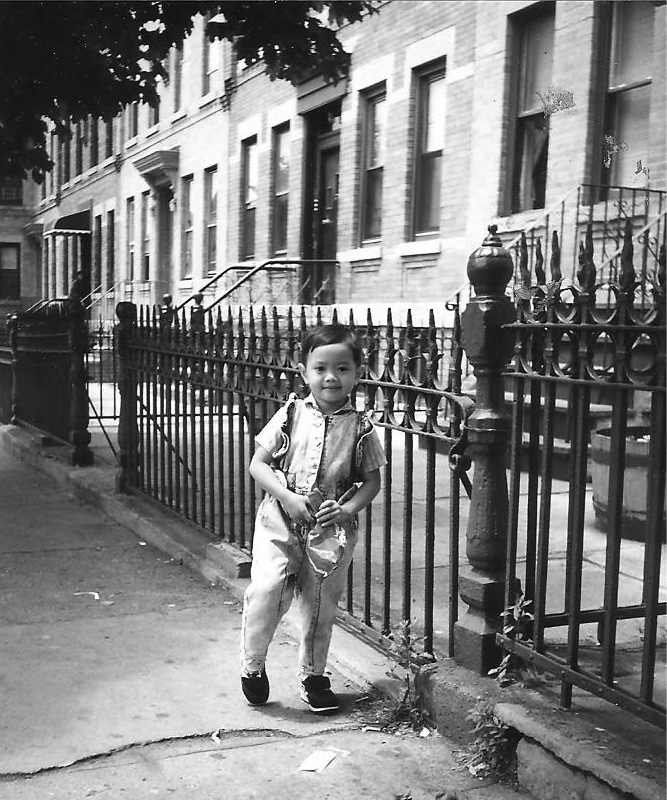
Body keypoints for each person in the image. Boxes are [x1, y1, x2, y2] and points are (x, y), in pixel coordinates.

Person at [240, 323, 386, 713]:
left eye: (341, 368)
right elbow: (258, 464)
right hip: (280, 521)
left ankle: (314, 675)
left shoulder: (362, 428)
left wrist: (348, 510)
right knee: (268, 589)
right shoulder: (290, 414)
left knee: (320, 603)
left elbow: (373, 481)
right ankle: (253, 665)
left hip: (331, 532)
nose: (330, 377)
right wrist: (286, 496)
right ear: (304, 371)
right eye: (320, 367)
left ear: (357, 373)